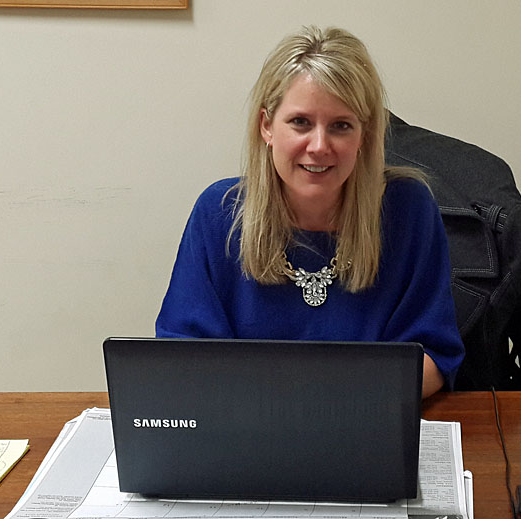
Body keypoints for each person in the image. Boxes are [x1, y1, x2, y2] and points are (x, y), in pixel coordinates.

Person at [156, 25, 464, 398]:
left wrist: (328, 408)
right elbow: (183, 358)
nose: (319, 146)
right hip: (247, 432)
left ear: (364, 136)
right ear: (267, 125)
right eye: (300, 122)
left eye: (341, 126)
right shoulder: (219, 214)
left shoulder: (408, 209)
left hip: (367, 426)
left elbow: (434, 355)